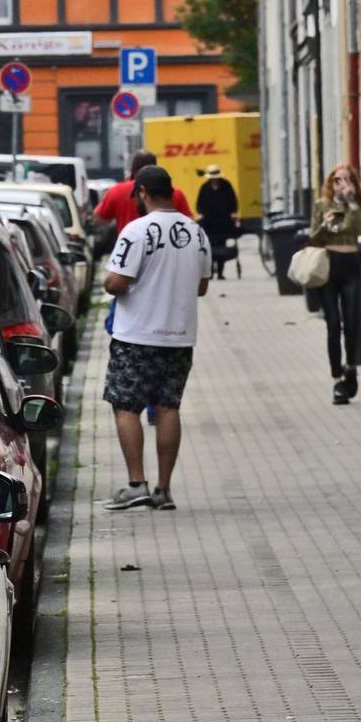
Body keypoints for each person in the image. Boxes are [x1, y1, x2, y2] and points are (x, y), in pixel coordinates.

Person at [101, 165, 212, 511]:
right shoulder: (196, 233)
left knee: (126, 405)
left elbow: (116, 283)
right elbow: (203, 287)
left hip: (136, 335)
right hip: (180, 336)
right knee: (168, 407)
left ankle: (137, 484)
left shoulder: (136, 231)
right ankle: (164, 490)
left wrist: (111, 283)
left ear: (143, 193)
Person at [306, 163, 361, 403]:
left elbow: (360, 228)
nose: (341, 185)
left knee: (352, 322)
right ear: (330, 183)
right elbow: (313, 237)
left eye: (346, 180)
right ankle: (336, 379)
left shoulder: (357, 205)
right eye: (336, 180)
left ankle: (351, 367)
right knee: (333, 323)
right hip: (328, 266)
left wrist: (352, 203)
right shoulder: (322, 205)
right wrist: (325, 225)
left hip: (351, 265)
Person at [93, 149, 192, 232]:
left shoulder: (117, 191)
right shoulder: (175, 193)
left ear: (133, 169)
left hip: (129, 246)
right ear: (155, 167)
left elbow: (98, 219)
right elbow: (189, 223)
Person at [194, 165, 240, 277]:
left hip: (223, 222)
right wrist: (201, 214)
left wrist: (233, 213)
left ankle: (220, 271)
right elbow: (199, 204)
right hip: (209, 222)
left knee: (222, 246)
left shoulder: (226, 186)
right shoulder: (204, 187)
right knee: (209, 247)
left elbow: (233, 200)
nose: (214, 179)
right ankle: (210, 271)